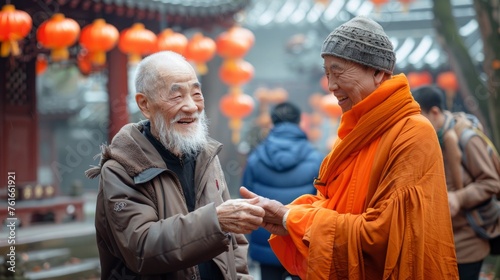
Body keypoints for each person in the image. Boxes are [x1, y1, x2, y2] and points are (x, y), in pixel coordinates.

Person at [240, 15, 459, 279]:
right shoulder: (355, 131)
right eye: (327, 74)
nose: (331, 86)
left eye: (338, 71)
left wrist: (292, 219)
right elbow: (334, 205)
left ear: (378, 73)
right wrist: (288, 215)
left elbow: (383, 236)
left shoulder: (412, 132)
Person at [85, 51, 265, 280]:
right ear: (145, 104)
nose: (191, 106)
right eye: (176, 96)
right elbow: (141, 248)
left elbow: (235, 242)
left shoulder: (206, 156)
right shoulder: (122, 168)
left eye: (196, 94)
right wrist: (215, 221)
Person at [412, 85, 500, 280]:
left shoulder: (466, 138)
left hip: (467, 243)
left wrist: (459, 197)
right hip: (439, 241)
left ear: (434, 112)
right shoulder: (429, 141)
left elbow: (492, 183)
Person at [242, 101, 324, 280]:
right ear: (298, 122)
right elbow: (323, 200)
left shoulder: (256, 157)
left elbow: (247, 198)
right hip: (301, 240)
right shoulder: (316, 157)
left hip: (266, 241)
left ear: (272, 122)